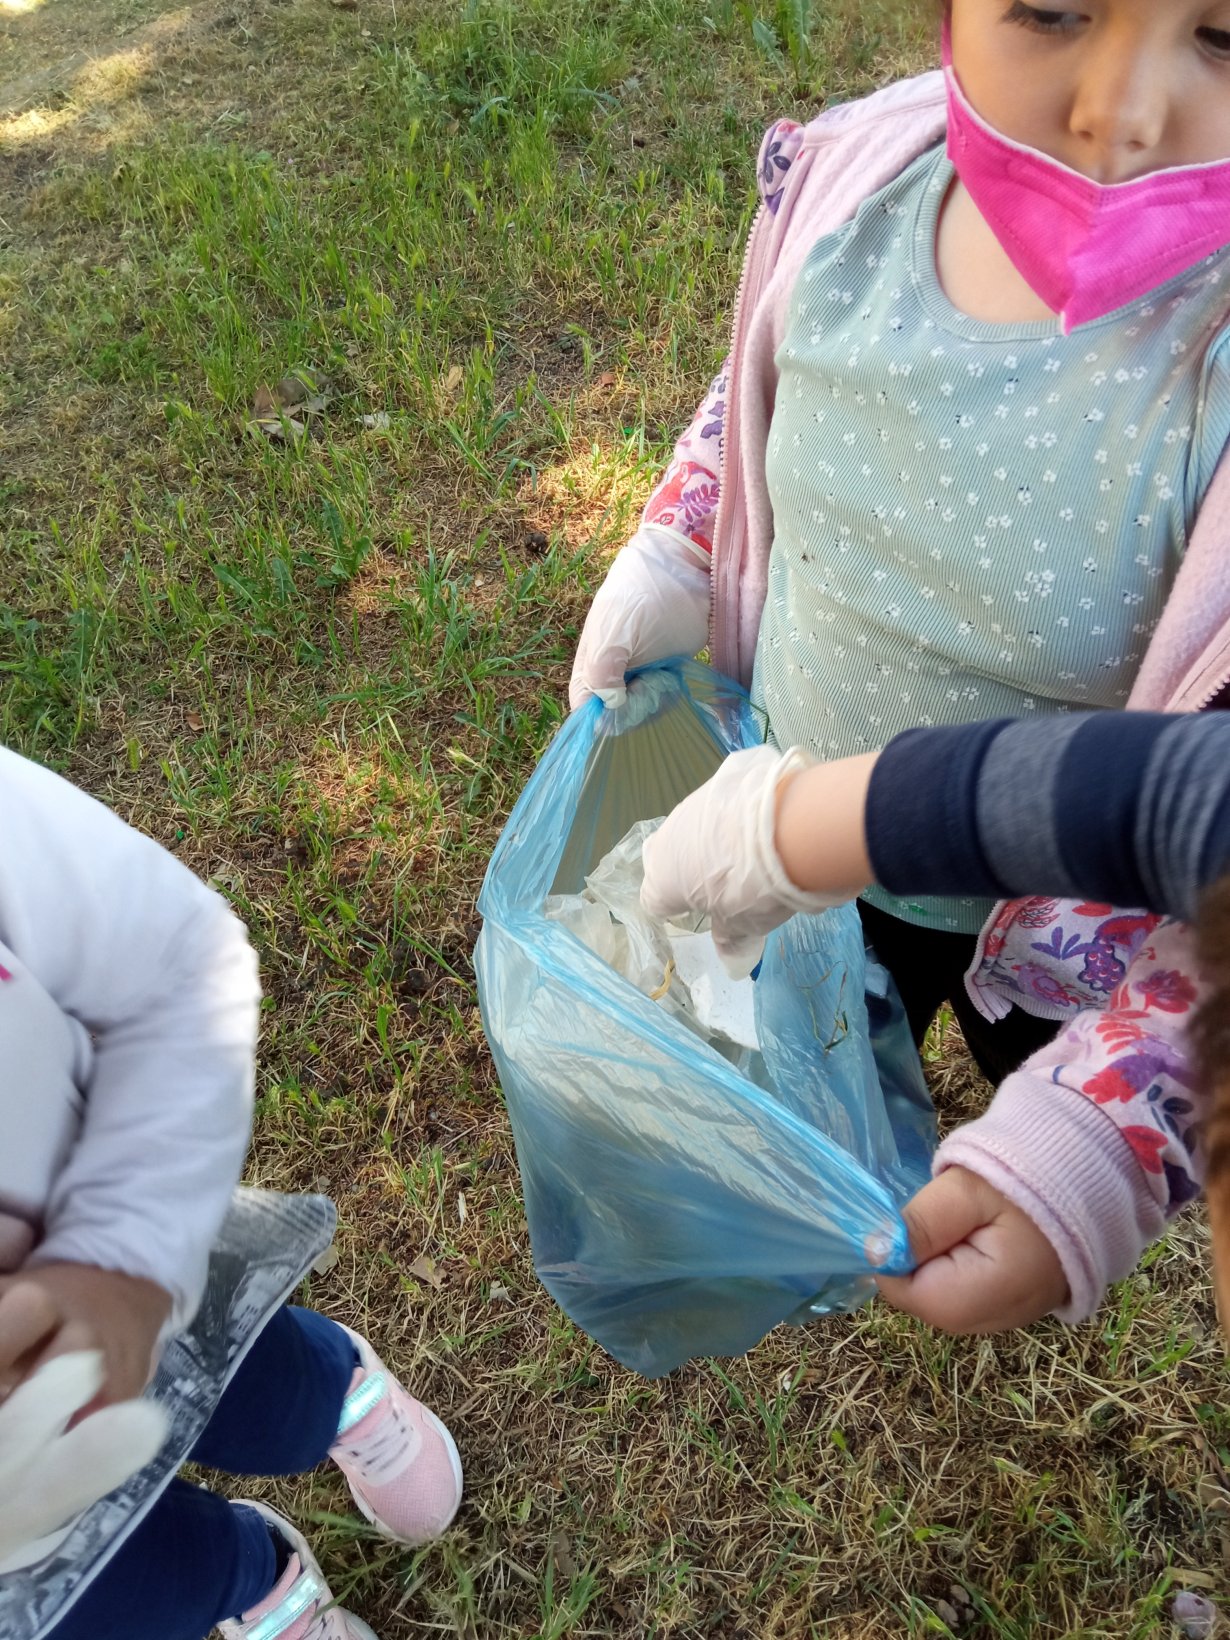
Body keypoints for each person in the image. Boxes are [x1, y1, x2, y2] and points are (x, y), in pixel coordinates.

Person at [571, 3, 1230, 1079]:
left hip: (1063, 949)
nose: (1123, 113)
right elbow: (764, 375)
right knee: (821, 1076)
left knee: (1024, 1085)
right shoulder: (859, 180)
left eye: (1225, 37)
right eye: (1054, 8)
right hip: (787, 833)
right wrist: (680, 540)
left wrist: (1075, 1138)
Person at [0, 746, 462, 1640]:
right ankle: (255, 1577)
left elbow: (174, 957)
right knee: (138, 1588)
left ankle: (337, 1396)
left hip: (141, 1259)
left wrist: (119, 1262)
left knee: (260, 1388)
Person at [640, 708, 1230, 1331]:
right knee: (873, 1010)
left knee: (1003, 1043)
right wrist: (807, 825)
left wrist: (804, 827)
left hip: (1041, 947)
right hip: (853, 813)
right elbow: (1190, 802)